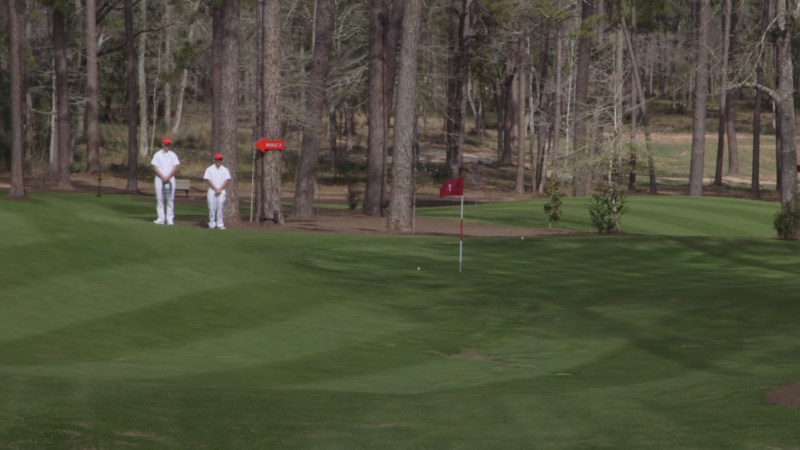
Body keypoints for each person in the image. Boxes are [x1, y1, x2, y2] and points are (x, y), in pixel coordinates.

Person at [151, 137, 181, 225]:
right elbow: (155, 167)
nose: (167, 145)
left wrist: (168, 177)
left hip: (170, 178)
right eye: (166, 144)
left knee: (170, 198)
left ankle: (170, 219)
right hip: (159, 178)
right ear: (162, 144)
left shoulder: (173, 155)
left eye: (168, 144)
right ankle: (161, 218)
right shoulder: (157, 155)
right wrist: (163, 177)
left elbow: (175, 167)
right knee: (160, 198)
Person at [204, 153, 232, 230]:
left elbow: (226, 180)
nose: (219, 161)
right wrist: (216, 188)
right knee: (211, 207)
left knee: (220, 207)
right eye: (218, 159)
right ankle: (212, 223)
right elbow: (208, 180)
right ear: (215, 160)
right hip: (212, 190)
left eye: (220, 159)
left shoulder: (225, 170)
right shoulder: (209, 169)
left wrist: (220, 189)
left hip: (221, 191)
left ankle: (220, 224)